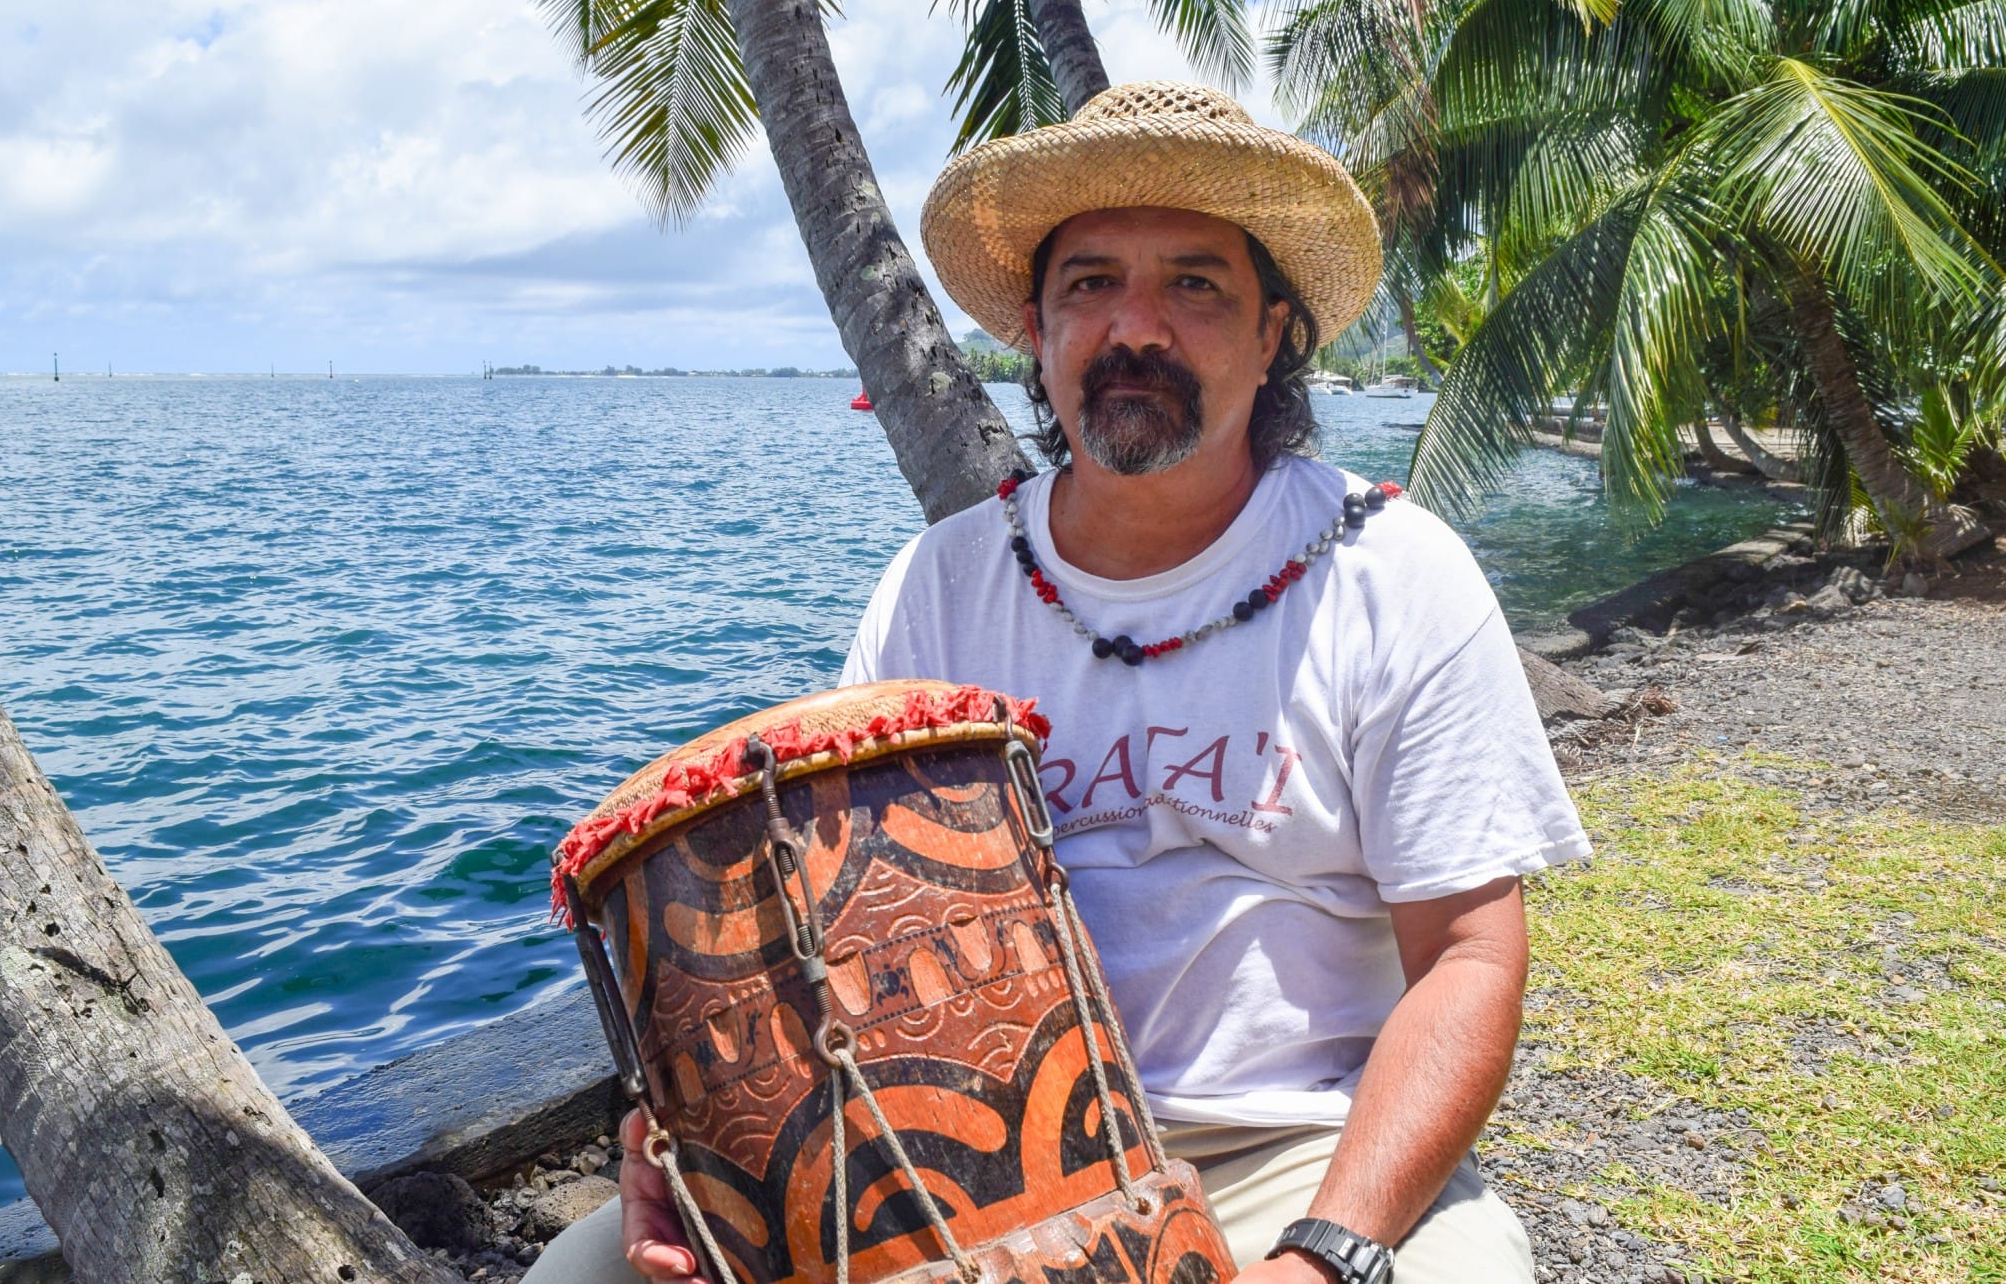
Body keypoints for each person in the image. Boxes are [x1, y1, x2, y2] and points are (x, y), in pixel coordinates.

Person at [530, 82, 1590, 1284]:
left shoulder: (1393, 574)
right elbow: (808, 925)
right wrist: (673, 1141)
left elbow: (1466, 956)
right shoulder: (944, 584)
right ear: (1035, 330)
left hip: (1290, 1147)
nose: (1134, 326)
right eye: (1089, 283)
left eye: (1194, 283)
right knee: (587, 1274)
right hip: (962, 1155)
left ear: (1273, 335)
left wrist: (1324, 1253)